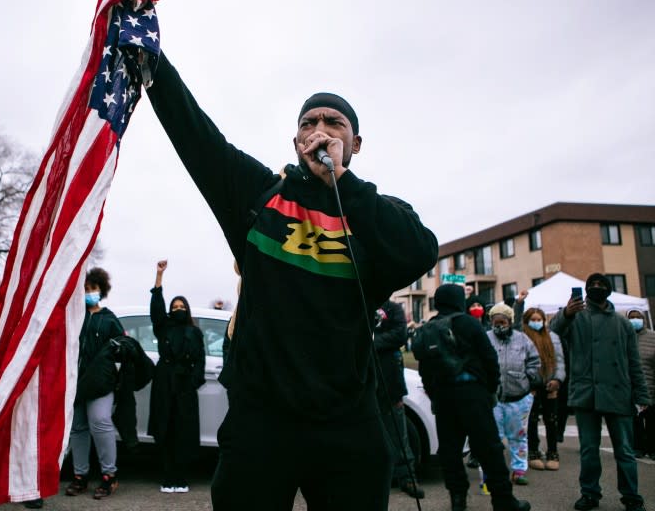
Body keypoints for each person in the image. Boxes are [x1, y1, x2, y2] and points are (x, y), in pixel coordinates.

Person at [145, 48, 438, 510]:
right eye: (309, 122)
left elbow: (420, 250)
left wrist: (342, 182)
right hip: (261, 426)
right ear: (296, 139)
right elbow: (198, 137)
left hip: (348, 426)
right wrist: (153, 65)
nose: (320, 130)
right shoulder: (260, 196)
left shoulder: (376, 214)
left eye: (334, 123)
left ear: (355, 143)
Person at [416, 284, 530, 511]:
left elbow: (424, 368)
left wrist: (435, 393)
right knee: (489, 449)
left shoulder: (429, 327)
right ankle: (503, 501)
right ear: (459, 300)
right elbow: (489, 358)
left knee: (450, 452)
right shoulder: (468, 322)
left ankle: (458, 500)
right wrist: (490, 388)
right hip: (473, 394)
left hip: (444, 398)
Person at [551, 273, 650, 511]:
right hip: (586, 392)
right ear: (585, 291)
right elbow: (553, 328)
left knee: (625, 450)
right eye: (592, 285)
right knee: (588, 450)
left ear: (608, 290)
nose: (596, 288)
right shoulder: (576, 318)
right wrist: (566, 313)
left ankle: (631, 496)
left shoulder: (623, 323)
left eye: (601, 285)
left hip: (619, 392)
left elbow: (634, 363)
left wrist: (642, 396)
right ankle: (590, 493)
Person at [65, 267, 123, 499]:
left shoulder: (109, 319)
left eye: (93, 289)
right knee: (78, 428)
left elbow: (121, 349)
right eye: (85, 289)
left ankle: (109, 475)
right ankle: (80, 476)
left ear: (102, 290)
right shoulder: (73, 317)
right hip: (75, 382)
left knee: (100, 421)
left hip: (100, 384)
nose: (89, 293)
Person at [148, 260, 206, 493]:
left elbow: (200, 359)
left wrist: (194, 381)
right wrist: (159, 277)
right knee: (166, 427)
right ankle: (167, 476)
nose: (178, 309)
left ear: (187, 309)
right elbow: (156, 309)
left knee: (184, 430)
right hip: (164, 383)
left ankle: (181, 477)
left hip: (185, 385)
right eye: (175, 306)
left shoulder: (195, 332)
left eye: (182, 306)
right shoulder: (164, 327)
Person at [373, 300, 423, 499]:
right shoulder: (361, 303)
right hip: (364, 380)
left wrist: (373, 341)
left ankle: (406, 477)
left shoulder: (393, 309)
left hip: (391, 379)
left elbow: (400, 335)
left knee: (398, 430)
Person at [486, 303, 540, 485]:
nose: (499, 325)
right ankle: (495, 471)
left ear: (510, 321)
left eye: (503, 321)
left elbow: (534, 362)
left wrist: (530, 383)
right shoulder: (486, 339)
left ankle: (519, 469)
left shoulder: (522, 339)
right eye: (496, 322)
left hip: (520, 397)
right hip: (494, 399)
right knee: (493, 437)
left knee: (518, 435)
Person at [522, 307, 566, 472]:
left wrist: (557, 380)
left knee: (551, 419)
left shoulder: (553, 337)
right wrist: (528, 384)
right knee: (531, 420)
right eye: (532, 319)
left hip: (550, 383)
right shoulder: (523, 338)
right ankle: (533, 452)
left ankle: (552, 452)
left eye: (538, 319)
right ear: (526, 321)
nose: (536, 322)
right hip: (531, 386)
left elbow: (560, 361)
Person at [628, 309, 655, 459]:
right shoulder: (625, 336)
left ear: (643, 319)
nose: (635, 319)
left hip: (651, 386)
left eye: (638, 317)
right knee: (635, 421)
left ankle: (652, 448)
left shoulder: (652, 337)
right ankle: (638, 447)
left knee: (652, 421)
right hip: (631, 388)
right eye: (632, 317)